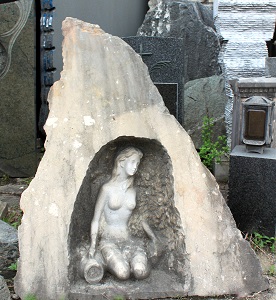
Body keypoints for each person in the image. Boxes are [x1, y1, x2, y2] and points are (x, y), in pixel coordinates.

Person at [88, 147, 155, 281]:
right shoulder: (106, 189)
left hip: (130, 240)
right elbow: (95, 220)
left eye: (137, 164)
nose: (135, 167)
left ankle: (136, 262)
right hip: (109, 240)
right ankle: (104, 260)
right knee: (123, 273)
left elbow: (140, 219)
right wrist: (92, 245)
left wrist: (153, 238)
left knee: (140, 272)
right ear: (122, 162)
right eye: (132, 162)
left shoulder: (134, 190)